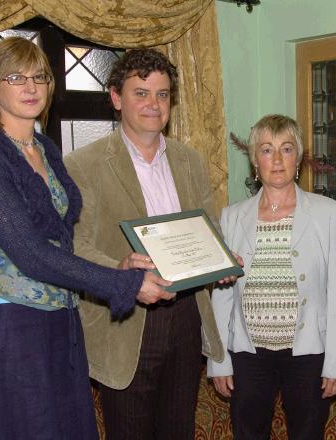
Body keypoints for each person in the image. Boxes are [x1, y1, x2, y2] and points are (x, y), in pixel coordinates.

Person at [0, 37, 148, 439]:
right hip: (12, 327)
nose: (31, 87)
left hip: (61, 323)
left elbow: (63, 243)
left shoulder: (43, 148)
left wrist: (119, 266)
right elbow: (31, 254)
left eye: (40, 77)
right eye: (16, 77)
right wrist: (123, 283)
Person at [64, 47, 227, 440]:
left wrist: (220, 258)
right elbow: (74, 245)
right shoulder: (82, 164)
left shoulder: (191, 161)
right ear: (117, 98)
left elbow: (209, 228)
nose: (153, 104)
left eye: (163, 94)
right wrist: (119, 272)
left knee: (178, 429)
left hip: (187, 314)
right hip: (126, 320)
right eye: (141, 93)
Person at [207, 114, 336, 440]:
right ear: (254, 161)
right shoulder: (231, 217)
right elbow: (222, 295)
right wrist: (219, 361)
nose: (276, 160)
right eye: (266, 150)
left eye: (286, 149)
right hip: (247, 354)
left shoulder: (327, 213)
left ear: (298, 157)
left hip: (308, 354)